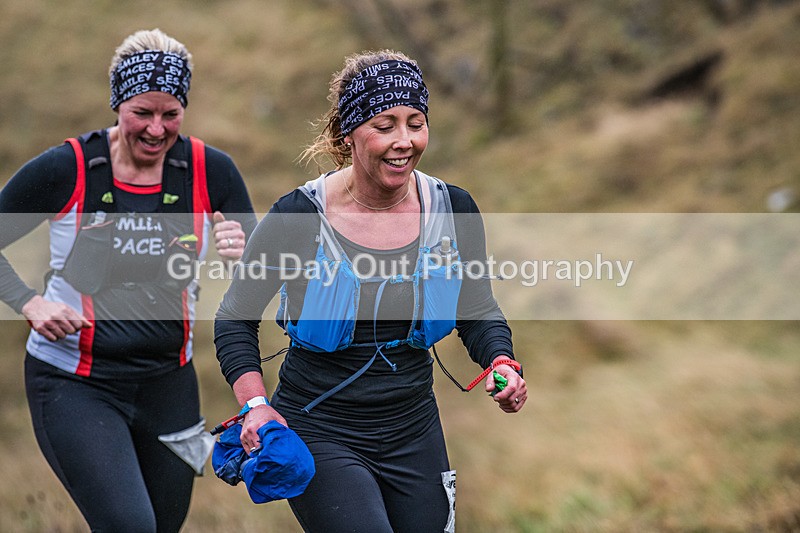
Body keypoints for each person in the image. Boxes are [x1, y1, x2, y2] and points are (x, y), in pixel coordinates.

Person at [214, 49, 527, 532]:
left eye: (415, 122)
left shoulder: (452, 209)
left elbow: (476, 306)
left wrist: (501, 361)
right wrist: (256, 407)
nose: (404, 141)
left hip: (414, 427)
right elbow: (235, 316)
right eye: (385, 125)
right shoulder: (300, 216)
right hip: (320, 426)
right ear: (349, 133)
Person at [0, 29, 257, 532]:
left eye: (171, 114)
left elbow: (260, 279)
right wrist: (29, 303)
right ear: (117, 104)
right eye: (143, 112)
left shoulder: (210, 171)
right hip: (75, 384)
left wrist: (241, 257)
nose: (158, 129)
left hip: (169, 384)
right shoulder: (70, 168)